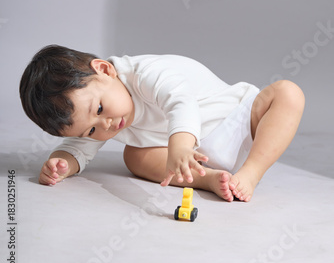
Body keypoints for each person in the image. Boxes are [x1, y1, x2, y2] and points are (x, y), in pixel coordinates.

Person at [19, 45, 305, 202]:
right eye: (92, 129)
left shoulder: (145, 73)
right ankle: (206, 179)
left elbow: (181, 102)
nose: (105, 125)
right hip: (185, 158)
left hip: (239, 126)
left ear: (105, 70)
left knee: (287, 93)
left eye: (101, 109)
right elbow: (78, 144)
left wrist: (180, 144)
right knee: (134, 156)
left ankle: (251, 173)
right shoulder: (97, 113)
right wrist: (61, 163)